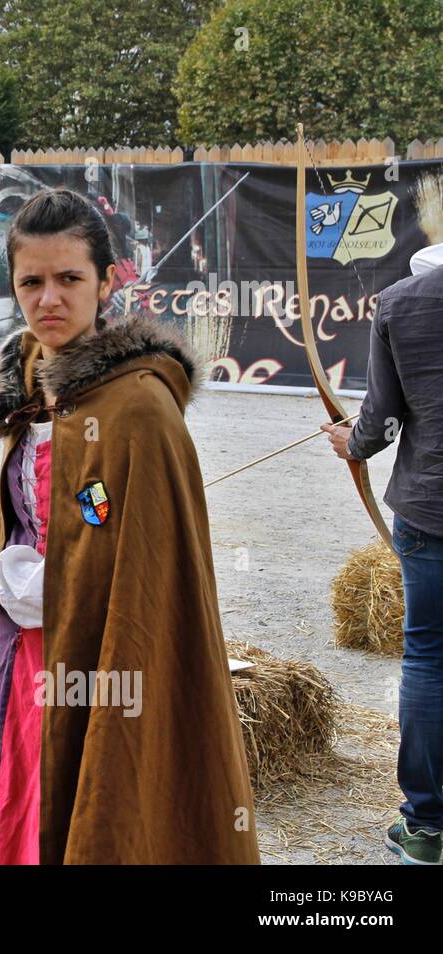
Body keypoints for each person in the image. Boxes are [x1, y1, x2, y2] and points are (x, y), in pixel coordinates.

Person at [0, 187, 259, 864]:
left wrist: (9, 575)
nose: (49, 298)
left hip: (93, 668)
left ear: (107, 282)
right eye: (32, 281)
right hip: (18, 664)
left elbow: (128, 577)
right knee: (13, 813)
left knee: (87, 812)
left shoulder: (138, 407)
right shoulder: (29, 380)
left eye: (69, 279)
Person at [321, 248, 443, 866]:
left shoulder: (402, 301)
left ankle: (425, 829)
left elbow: (383, 419)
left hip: (429, 510)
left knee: (427, 658)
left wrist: (354, 441)